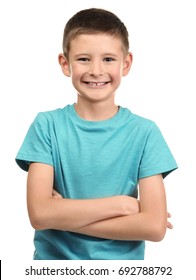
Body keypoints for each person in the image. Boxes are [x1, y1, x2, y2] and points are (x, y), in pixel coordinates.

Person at [15, 8, 178, 260]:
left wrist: (60, 215)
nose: (96, 70)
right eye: (83, 59)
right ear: (65, 63)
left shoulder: (145, 133)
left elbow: (154, 228)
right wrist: (124, 206)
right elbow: (39, 215)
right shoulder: (47, 125)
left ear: (126, 64)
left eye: (108, 59)